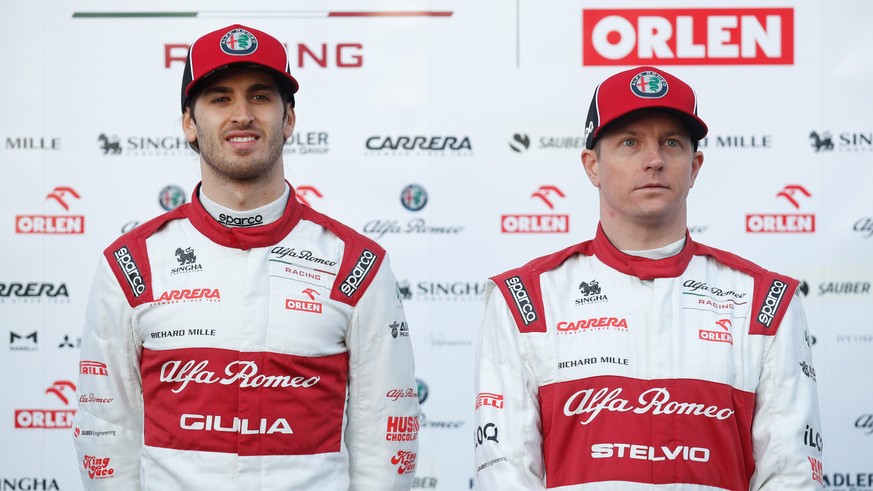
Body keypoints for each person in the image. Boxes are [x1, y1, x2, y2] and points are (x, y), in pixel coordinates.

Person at [73, 24, 419, 490]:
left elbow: (385, 439)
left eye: (260, 97)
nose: (242, 114)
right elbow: (106, 432)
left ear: (288, 119)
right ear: (189, 124)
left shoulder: (356, 265)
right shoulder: (132, 265)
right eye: (219, 98)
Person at [473, 66, 823, 490]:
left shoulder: (766, 302)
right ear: (592, 166)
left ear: (694, 166)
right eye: (629, 142)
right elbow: (506, 476)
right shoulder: (525, 300)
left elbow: (793, 476)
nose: (654, 160)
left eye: (671, 143)